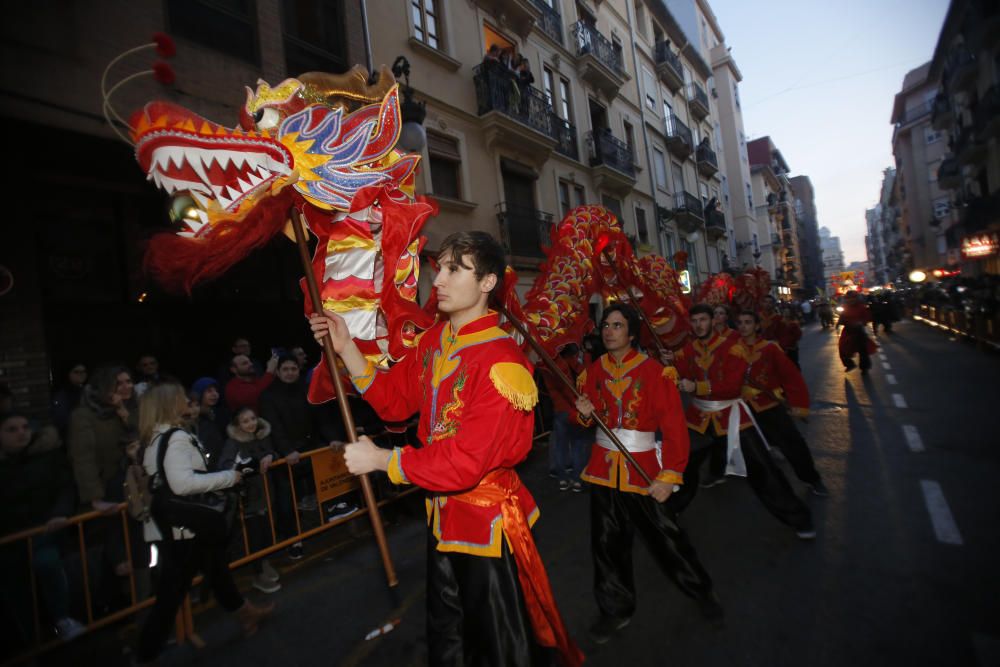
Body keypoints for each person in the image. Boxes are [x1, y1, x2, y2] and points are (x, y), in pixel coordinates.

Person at [310, 231, 582, 667]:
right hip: (443, 518)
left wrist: (383, 460)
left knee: (499, 647)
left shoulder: (502, 364)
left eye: (456, 269)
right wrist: (346, 350)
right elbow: (394, 402)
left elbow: (463, 463)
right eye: (441, 267)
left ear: (488, 283)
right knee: (448, 641)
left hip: (489, 531)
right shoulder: (436, 341)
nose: (439, 278)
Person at [574, 304, 722, 644]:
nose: (609, 330)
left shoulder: (656, 373)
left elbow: (674, 430)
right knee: (606, 546)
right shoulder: (593, 370)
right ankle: (615, 609)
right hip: (601, 473)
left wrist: (669, 476)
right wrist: (584, 412)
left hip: (643, 473)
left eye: (617, 325)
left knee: (668, 540)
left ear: (632, 333)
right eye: (605, 325)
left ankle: (701, 590)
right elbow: (587, 414)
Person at [135, 383, 273, 665]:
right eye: (181, 397)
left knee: (213, 571)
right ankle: (145, 654)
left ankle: (246, 614)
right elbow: (182, 483)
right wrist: (228, 478)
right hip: (187, 523)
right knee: (173, 590)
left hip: (180, 522)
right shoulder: (175, 438)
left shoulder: (155, 438)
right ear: (171, 404)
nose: (188, 400)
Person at [670, 304, 816, 540]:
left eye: (703, 320)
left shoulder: (733, 347)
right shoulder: (688, 349)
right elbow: (680, 371)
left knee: (762, 468)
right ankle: (669, 511)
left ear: (713, 322)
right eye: (694, 321)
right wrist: (672, 364)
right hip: (698, 419)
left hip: (732, 418)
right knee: (681, 468)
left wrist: (697, 386)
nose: (699, 325)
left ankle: (799, 517)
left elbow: (732, 385)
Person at [0, 412, 84, 649]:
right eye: (12, 429)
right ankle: (26, 645)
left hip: (43, 533)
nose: (21, 433)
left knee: (47, 564)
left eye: (25, 427)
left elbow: (65, 487)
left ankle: (61, 620)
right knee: (16, 593)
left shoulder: (45, 458)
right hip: (9, 543)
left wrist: (60, 513)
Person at [735, 311, 828, 496]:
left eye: (748, 322)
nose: (743, 326)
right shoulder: (732, 349)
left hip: (769, 405)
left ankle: (811, 478)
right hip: (743, 409)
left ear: (756, 326)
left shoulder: (770, 349)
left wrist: (798, 404)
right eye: (739, 322)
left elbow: (791, 377)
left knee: (793, 445)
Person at [218, 408, 281, 593]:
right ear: (237, 426)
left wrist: (271, 456)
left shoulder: (262, 436)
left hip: (266, 492)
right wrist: (244, 465)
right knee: (253, 536)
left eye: (253, 418)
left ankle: (265, 562)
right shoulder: (233, 443)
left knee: (266, 531)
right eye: (245, 421)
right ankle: (257, 574)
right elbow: (224, 465)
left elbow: (272, 452)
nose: (251, 423)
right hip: (248, 497)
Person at [539, 343, 590, 492]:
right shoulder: (569, 363)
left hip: (558, 409)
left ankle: (562, 479)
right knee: (578, 444)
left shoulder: (546, 366)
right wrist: (586, 355)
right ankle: (577, 479)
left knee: (561, 446)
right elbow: (586, 374)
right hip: (574, 409)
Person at [190, 377, 228, 467]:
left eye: (216, 391)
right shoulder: (194, 418)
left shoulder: (222, 413)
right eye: (209, 391)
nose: (215, 394)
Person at [837, 291, 876, 373]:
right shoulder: (845, 306)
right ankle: (849, 364)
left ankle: (864, 367)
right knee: (842, 348)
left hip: (858, 330)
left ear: (856, 298)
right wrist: (839, 323)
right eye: (849, 298)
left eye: (853, 298)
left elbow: (867, 317)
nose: (851, 300)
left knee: (862, 349)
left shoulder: (861, 306)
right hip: (847, 330)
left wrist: (861, 322)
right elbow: (842, 317)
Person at [51, 362, 87, 438]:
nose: (81, 374)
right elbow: (62, 421)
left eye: (83, 372)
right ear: (68, 374)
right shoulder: (62, 395)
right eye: (76, 372)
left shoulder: (87, 391)